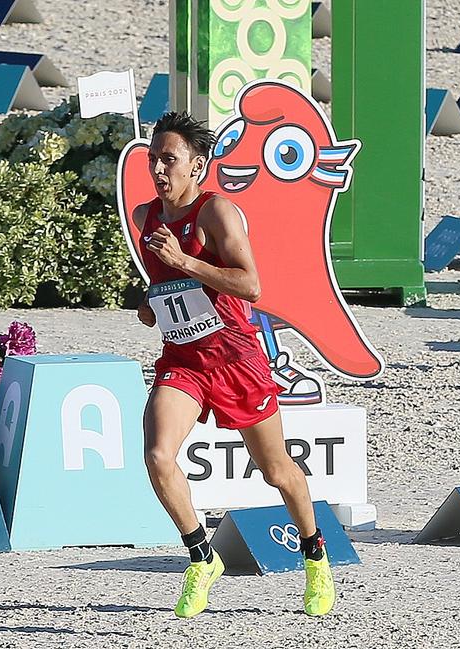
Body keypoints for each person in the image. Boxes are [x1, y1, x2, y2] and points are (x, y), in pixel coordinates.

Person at [132, 111, 335, 618]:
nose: (158, 169)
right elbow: (164, 287)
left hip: (236, 358)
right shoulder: (143, 217)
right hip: (183, 360)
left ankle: (315, 555)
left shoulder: (216, 212)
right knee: (158, 455)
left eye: (169, 160)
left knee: (276, 470)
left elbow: (250, 286)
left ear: (197, 166)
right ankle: (202, 558)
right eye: (154, 159)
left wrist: (186, 263)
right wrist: (150, 300)